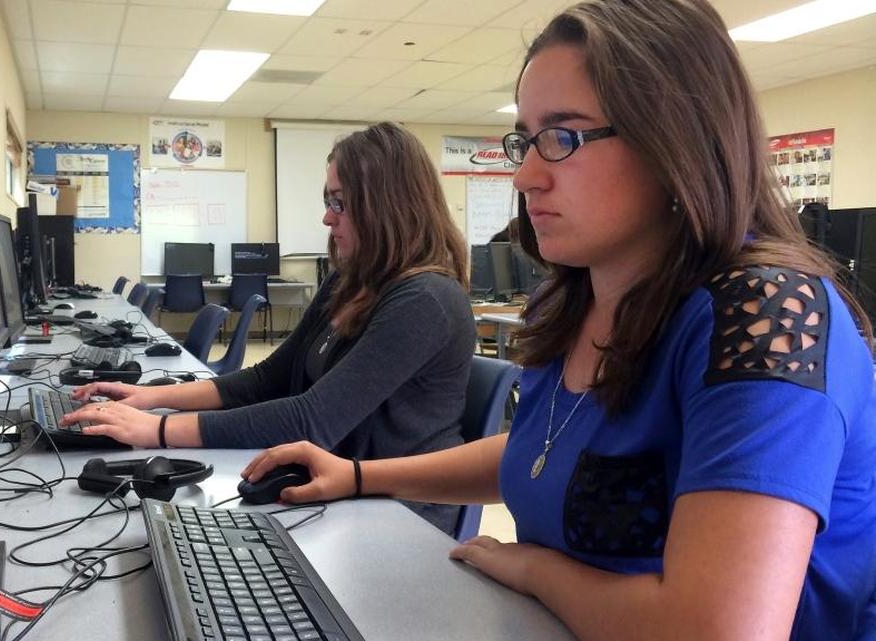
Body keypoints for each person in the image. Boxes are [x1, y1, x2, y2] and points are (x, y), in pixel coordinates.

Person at [241, 2, 876, 640]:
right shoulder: (574, 299)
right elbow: (543, 450)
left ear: (674, 141)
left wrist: (536, 570)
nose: (524, 175)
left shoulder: (765, 318)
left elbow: (716, 630)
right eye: (525, 139)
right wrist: (356, 476)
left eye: (563, 137)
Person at [64, 122, 477, 533]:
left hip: (400, 518)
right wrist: (150, 399)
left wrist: (158, 431)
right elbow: (268, 378)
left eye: (340, 204)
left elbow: (311, 420)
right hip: (335, 493)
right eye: (328, 202)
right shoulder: (348, 282)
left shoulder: (425, 299)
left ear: (389, 207)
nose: (326, 218)